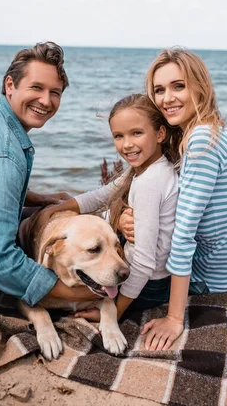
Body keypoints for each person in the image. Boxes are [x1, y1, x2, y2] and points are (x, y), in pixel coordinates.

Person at [128, 48, 227, 350]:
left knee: (129, 270)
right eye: (159, 90)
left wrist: (175, 318)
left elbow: (184, 232)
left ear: (200, 87)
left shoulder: (201, 139)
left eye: (179, 86)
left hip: (219, 274)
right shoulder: (211, 129)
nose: (167, 98)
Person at [0, 41, 95, 312]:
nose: (46, 101)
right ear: (10, 85)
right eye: (36, 88)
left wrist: (39, 198)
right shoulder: (2, 157)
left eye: (55, 92)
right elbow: (0, 263)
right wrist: (85, 294)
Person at [33, 94, 179, 320]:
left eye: (136, 133)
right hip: (150, 276)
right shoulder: (146, 169)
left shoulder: (150, 183)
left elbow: (144, 261)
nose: (127, 144)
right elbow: (103, 194)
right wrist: (55, 208)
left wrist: (115, 312)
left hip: (148, 285)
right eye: (118, 136)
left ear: (160, 133)